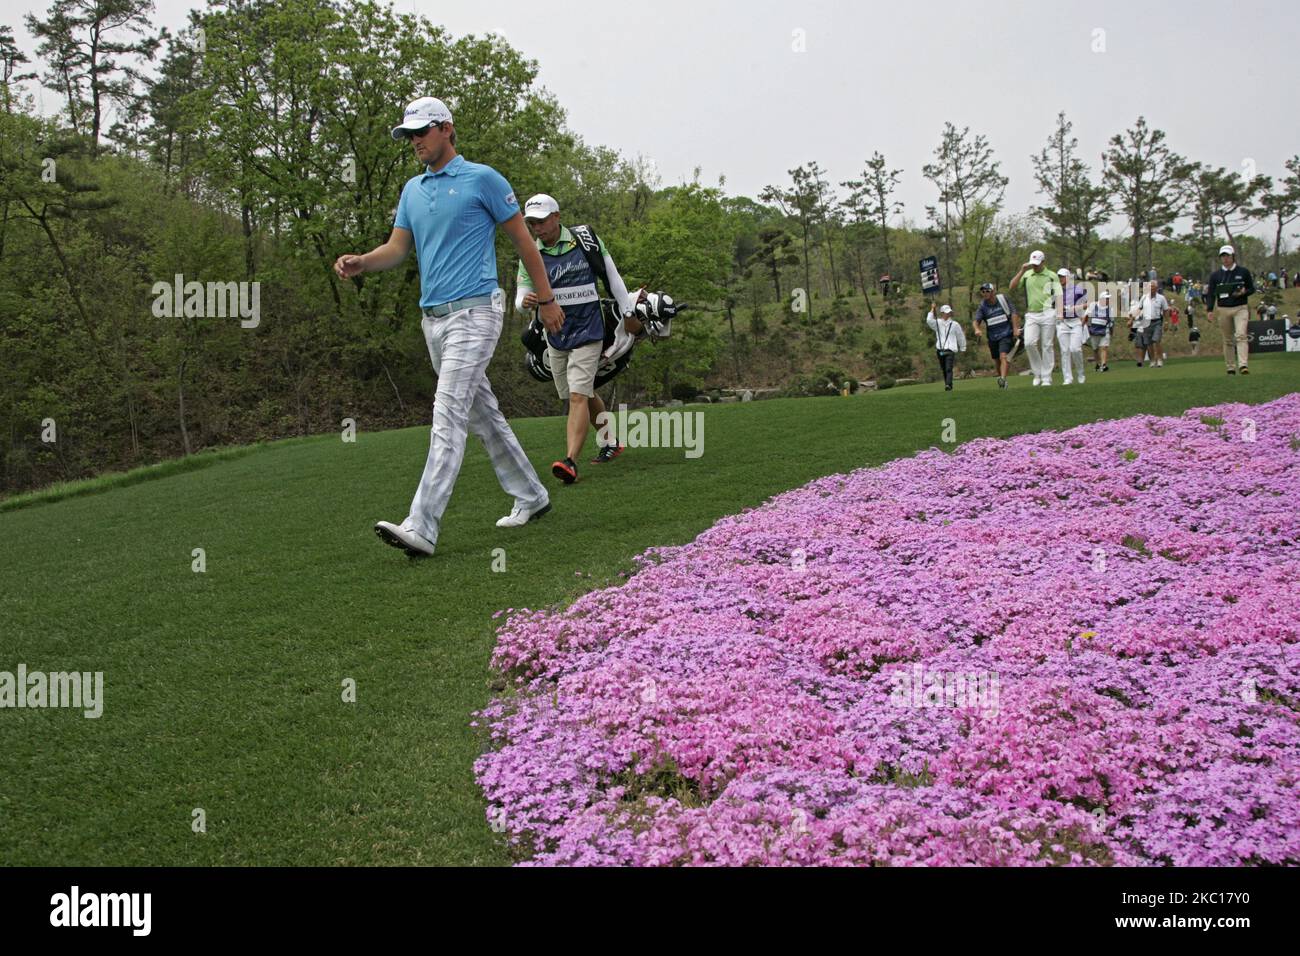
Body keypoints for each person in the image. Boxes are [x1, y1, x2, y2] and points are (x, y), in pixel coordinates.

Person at [334, 96, 558, 558]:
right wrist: (363, 263)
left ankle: (422, 524)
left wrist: (548, 300)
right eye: (409, 135)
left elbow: (524, 244)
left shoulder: (484, 179)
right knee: (481, 414)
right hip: (432, 322)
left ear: (446, 129)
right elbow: (397, 249)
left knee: (448, 411)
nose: (415, 141)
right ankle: (532, 496)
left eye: (422, 132)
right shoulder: (412, 191)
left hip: (477, 312)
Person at [516, 194, 639, 482]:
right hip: (556, 334)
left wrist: (628, 312)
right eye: (533, 223)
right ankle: (611, 440)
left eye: (543, 221)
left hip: (589, 329)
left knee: (576, 396)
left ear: (557, 216)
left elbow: (613, 277)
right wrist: (526, 302)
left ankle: (570, 461)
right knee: (580, 392)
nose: (538, 228)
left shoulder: (585, 241)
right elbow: (519, 296)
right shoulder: (530, 253)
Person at [1009, 250, 1062, 387]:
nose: (1035, 266)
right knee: (1029, 343)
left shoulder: (1052, 276)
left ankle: (1046, 377)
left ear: (1043, 262)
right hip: (1031, 314)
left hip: (1048, 313)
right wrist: (1021, 271)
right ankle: (1037, 373)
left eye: (1037, 264)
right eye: (1033, 264)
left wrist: (1059, 313)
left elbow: (1059, 296)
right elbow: (1012, 286)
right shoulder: (1027, 275)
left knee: (1047, 345)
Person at [1205, 244, 1256, 375]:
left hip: (1240, 307)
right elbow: (1211, 293)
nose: (1225, 259)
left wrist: (1244, 292)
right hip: (1223, 309)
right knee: (1227, 339)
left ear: (1233, 256)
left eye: (1227, 256)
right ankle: (1230, 366)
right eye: (1223, 256)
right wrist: (1209, 310)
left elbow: (1251, 288)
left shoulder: (1243, 272)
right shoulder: (1216, 275)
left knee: (1241, 335)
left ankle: (1243, 365)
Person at [972, 282, 1021, 389]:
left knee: (1003, 356)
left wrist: (1015, 328)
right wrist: (977, 329)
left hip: (1006, 334)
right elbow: (976, 320)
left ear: (993, 291)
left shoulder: (1003, 299)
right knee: (997, 360)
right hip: (993, 337)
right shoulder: (982, 306)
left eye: (987, 291)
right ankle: (1001, 379)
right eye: (983, 291)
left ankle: (1003, 379)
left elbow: (1013, 313)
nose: (985, 293)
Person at [1056, 267, 1089, 385]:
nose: (1060, 279)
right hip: (1062, 323)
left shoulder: (1078, 289)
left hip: (1075, 322)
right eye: (1059, 276)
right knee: (1064, 351)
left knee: (1075, 349)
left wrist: (1076, 308)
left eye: (1062, 276)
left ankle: (1080, 373)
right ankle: (1067, 378)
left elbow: (1088, 304)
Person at [924, 303, 967, 390]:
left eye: (949, 312)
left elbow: (960, 336)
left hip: (950, 350)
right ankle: (947, 385)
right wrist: (932, 309)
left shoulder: (955, 324)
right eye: (946, 312)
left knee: (948, 368)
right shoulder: (938, 323)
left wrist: (963, 347)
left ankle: (948, 385)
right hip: (940, 350)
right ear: (942, 313)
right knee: (944, 369)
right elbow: (929, 320)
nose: (948, 314)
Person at [1129, 280, 1169, 368]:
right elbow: (1139, 309)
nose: (1152, 289)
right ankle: (1152, 360)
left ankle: (1159, 359)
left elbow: (1166, 310)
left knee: (1156, 340)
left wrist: (1166, 322)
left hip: (1157, 321)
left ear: (1156, 288)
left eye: (1153, 287)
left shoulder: (1161, 298)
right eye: (1150, 287)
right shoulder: (1144, 297)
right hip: (1146, 322)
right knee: (1149, 343)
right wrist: (1131, 319)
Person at [1086, 290, 1115, 372]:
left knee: (1104, 348)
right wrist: (1084, 327)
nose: (1108, 300)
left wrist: (1112, 332)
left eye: (1108, 299)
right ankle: (1098, 364)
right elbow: (1086, 316)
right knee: (1095, 349)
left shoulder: (1110, 309)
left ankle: (1103, 365)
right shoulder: (1093, 305)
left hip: (1105, 331)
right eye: (1106, 299)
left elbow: (1112, 322)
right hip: (1093, 331)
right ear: (1101, 299)